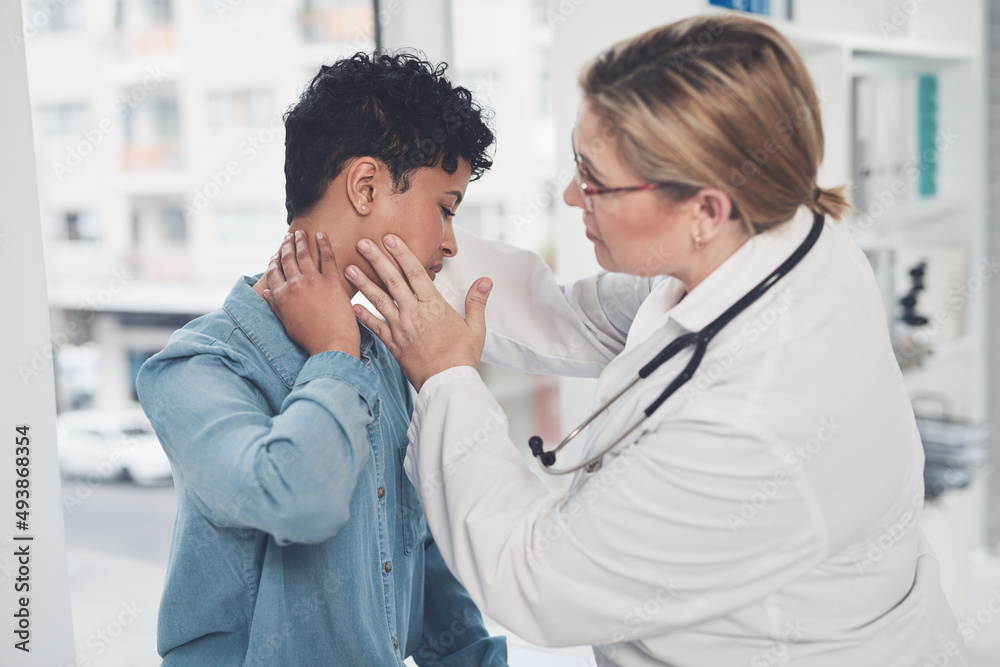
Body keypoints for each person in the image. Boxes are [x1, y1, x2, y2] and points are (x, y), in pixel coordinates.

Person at [288, 15, 969, 667]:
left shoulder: (759, 415)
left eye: (596, 181)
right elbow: (570, 317)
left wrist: (444, 377)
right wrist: (390, 239)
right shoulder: (777, 236)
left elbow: (535, 580)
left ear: (705, 208)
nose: (570, 198)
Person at [135, 52, 507, 666]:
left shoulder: (384, 349)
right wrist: (334, 352)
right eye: (445, 207)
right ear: (365, 186)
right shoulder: (195, 367)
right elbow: (297, 501)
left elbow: (416, 548)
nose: (450, 240)